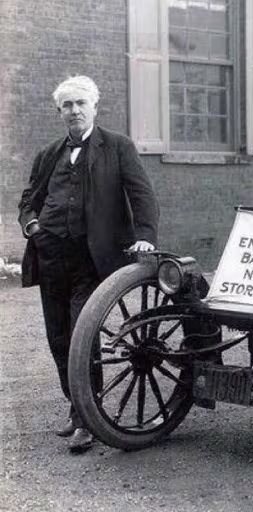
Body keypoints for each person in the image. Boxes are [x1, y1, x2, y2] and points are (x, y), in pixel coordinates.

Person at [18, 75, 159, 453]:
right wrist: (31, 224)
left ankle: (86, 419)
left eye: (81, 103)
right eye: (68, 105)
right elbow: (28, 199)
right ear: (59, 111)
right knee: (58, 338)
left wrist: (144, 235)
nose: (74, 111)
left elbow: (142, 194)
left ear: (95, 106)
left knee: (84, 337)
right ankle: (76, 405)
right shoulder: (49, 153)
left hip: (91, 259)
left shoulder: (116, 147)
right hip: (50, 256)